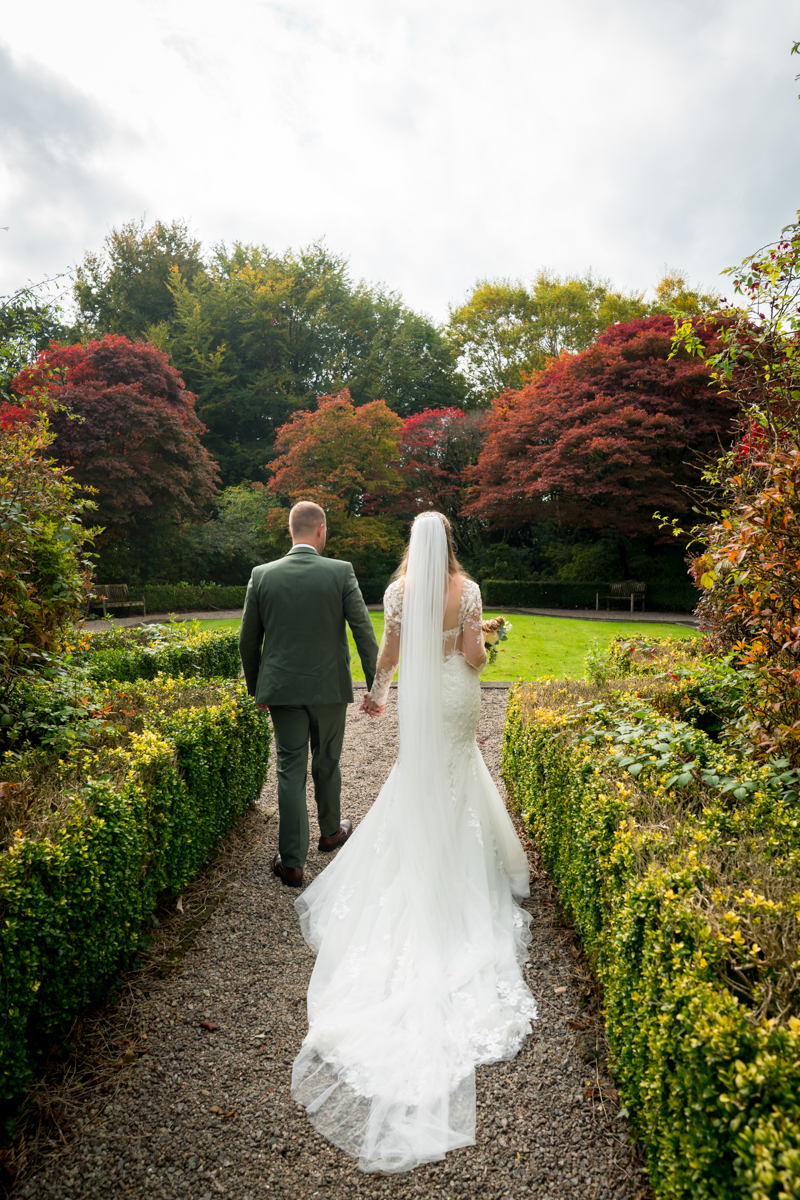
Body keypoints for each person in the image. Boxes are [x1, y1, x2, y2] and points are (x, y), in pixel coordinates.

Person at [290, 511, 536, 1174]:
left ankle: (417, 863)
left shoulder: (397, 593)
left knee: (418, 777)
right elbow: (473, 658)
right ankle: (466, 867)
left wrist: (376, 694)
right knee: (463, 771)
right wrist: (484, 638)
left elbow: (390, 656)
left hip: (419, 700)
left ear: (412, 546)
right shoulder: (469, 588)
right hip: (455, 697)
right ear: (450, 543)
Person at [238, 501, 379, 888]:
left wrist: (257, 688)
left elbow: (248, 640)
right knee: (328, 759)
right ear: (320, 530)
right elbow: (363, 633)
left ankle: (293, 862)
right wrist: (375, 687)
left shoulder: (261, 575)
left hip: (281, 690)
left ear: (291, 531)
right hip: (330, 688)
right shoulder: (340, 572)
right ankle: (331, 832)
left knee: (290, 768)